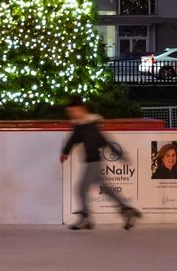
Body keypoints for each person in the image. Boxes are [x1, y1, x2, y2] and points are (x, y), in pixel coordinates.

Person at [60, 96, 141, 230]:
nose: (71, 114)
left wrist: (119, 154)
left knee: (81, 189)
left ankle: (85, 218)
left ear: (81, 110)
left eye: (73, 111)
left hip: (94, 162)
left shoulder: (90, 125)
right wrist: (65, 152)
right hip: (91, 162)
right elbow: (73, 139)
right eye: (70, 112)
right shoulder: (80, 126)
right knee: (107, 189)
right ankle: (127, 210)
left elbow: (105, 140)